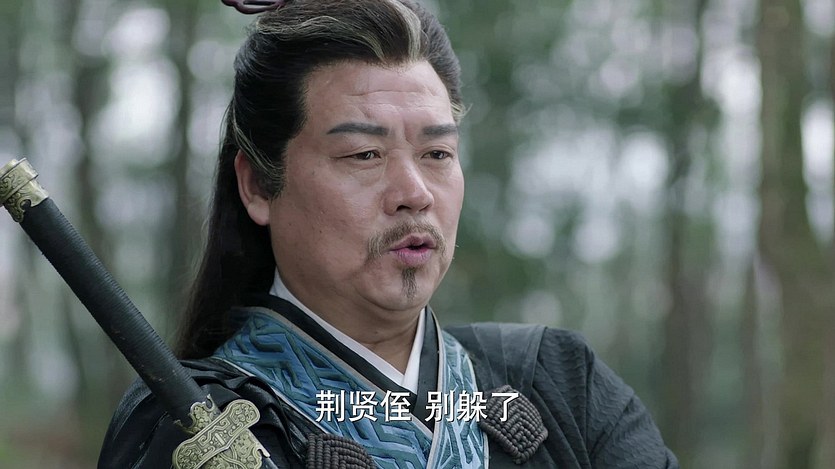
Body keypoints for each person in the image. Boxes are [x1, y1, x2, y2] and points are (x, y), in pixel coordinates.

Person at [98, 0, 678, 467]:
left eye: (437, 153)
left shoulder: (559, 383)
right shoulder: (199, 429)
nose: (414, 192)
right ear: (257, 186)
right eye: (364, 154)